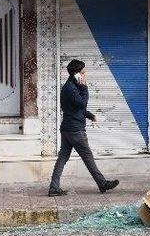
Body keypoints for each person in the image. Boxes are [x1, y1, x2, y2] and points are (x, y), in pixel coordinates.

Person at [49, 60, 119, 196]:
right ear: (77, 74)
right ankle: (102, 183)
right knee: (87, 156)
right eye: (83, 72)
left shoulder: (71, 86)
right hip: (75, 130)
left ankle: (53, 187)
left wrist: (91, 116)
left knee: (63, 157)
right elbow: (82, 103)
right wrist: (84, 87)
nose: (85, 74)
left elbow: (76, 108)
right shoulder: (71, 88)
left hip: (68, 128)